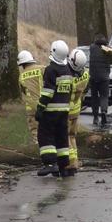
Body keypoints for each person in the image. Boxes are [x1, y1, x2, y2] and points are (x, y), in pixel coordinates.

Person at [35, 40, 73, 177]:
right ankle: (64, 166)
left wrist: (40, 108)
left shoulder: (51, 70)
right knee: (61, 138)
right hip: (64, 111)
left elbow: (48, 92)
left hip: (50, 111)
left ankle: (50, 164)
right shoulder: (68, 70)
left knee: (45, 136)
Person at [67, 48, 89, 176]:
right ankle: (75, 161)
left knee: (65, 137)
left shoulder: (68, 77)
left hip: (67, 110)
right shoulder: (86, 74)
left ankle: (70, 163)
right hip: (76, 109)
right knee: (72, 136)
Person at [17, 50, 44, 144]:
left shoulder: (21, 76)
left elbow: (23, 91)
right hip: (44, 103)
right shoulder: (42, 69)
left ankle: (37, 145)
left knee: (35, 130)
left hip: (31, 107)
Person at [89, 33, 110, 126]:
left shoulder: (92, 47)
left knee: (94, 97)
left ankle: (95, 117)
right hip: (104, 77)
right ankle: (104, 112)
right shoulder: (107, 49)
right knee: (104, 96)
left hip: (93, 77)